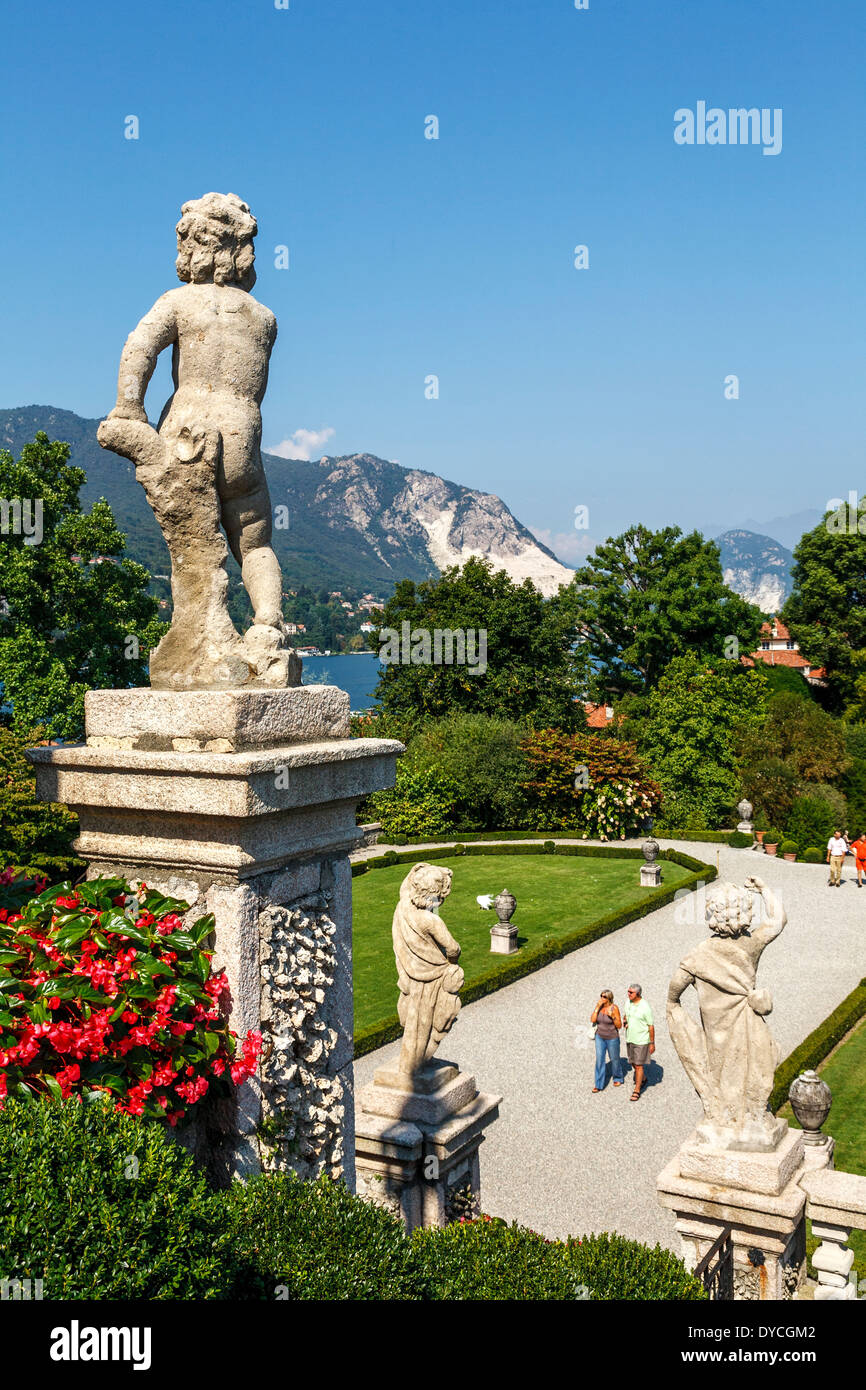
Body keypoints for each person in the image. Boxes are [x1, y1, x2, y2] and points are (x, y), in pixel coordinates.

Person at [623, 983, 655, 1101]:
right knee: (632, 1062)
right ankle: (643, 1078)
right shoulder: (628, 1002)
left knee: (638, 1064)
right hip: (630, 1038)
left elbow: (651, 1026)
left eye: (631, 992)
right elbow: (626, 1015)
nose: (628, 994)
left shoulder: (645, 1007)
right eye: (628, 991)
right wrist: (625, 1021)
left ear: (638, 993)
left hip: (641, 1040)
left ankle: (637, 1090)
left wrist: (652, 1043)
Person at [590, 989, 623, 1092]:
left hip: (612, 1038)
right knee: (599, 1060)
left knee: (614, 1059)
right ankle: (598, 1084)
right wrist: (596, 1008)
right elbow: (593, 1020)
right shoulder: (599, 1007)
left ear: (609, 998)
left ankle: (618, 1077)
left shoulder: (614, 1008)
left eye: (604, 997)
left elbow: (619, 1025)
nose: (601, 998)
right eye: (601, 996)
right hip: (600, 1037)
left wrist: (613, 1016)